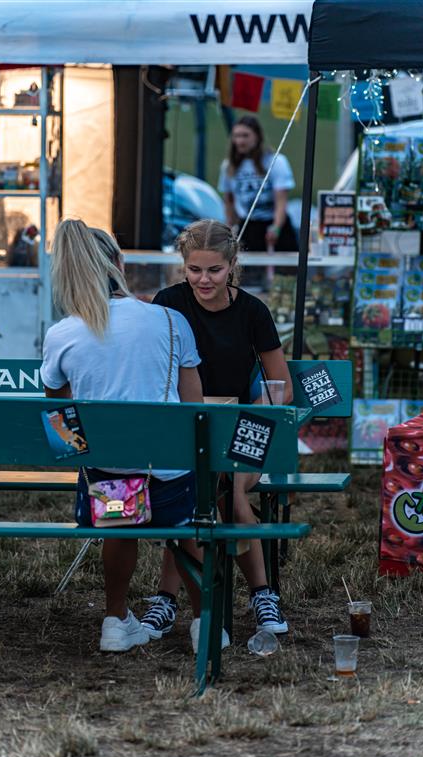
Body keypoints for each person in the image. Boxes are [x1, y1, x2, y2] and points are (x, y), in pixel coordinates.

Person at [40, 218, 209, 654]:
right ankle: (204, 623)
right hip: (171, 482)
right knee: (186, 526)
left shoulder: (61, 334)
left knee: (118, 501)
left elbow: (60, 422)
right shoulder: (170, 322)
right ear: (119, 263)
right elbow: (195, 410)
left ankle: (114, 621)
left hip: (110, 483)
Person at [140, 219, 293, 642]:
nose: (203, 280)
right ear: (183, 267)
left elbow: (281, 385)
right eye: (194, 270)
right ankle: (179, 599)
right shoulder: (167, 304)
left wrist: (253, 420)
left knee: (222, 484)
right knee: (201, 486)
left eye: (214, 270)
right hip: (186, 425)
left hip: (241, 427)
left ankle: (258, 594)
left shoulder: (252, 311)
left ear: (232, 266)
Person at [218, 115, 298, 253]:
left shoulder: (276, 161)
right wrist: (230, 228)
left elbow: (281, 201)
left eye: (245, 136)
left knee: (286, 271)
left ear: (257, 137)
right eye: (237, 136)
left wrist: (276, 227)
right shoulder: (229, 166)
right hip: (248, 225)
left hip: (274, 224)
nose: (240, 141)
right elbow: (229, 201)